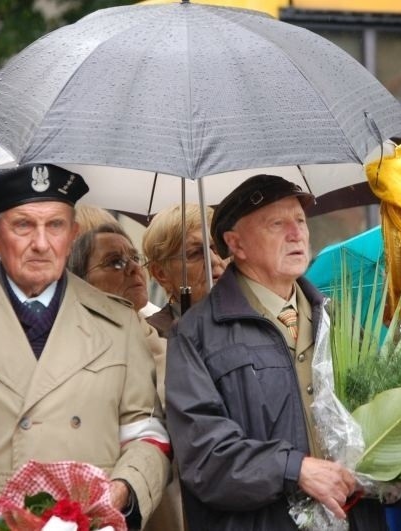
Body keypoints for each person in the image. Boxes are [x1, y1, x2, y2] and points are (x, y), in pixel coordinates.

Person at [0, 163, 171, 530]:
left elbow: (147, 433)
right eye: (23, 225)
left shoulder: (119, 325)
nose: (41, 243)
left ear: (72, 234)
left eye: (55, 225)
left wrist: (122, 489)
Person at [165, 174, 386, 530]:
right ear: (236, 244)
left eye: (300, 220)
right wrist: (293, 468)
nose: (296, 233)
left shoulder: (339, 319)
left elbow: (381, 412)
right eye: (277, 224)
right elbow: (204, 458)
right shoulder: (195, 335)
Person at [69, 222, 185, 531]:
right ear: (80, 282)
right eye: (115, 262)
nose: (133, 269)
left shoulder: (169, 343)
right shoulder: (69, 352)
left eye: (135, 258)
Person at [142, 203, 228, 337]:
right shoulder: (148, 337)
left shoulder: (258, 320)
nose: (215, 261)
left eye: (218, 248)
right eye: (194, 253)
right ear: (161, 273)